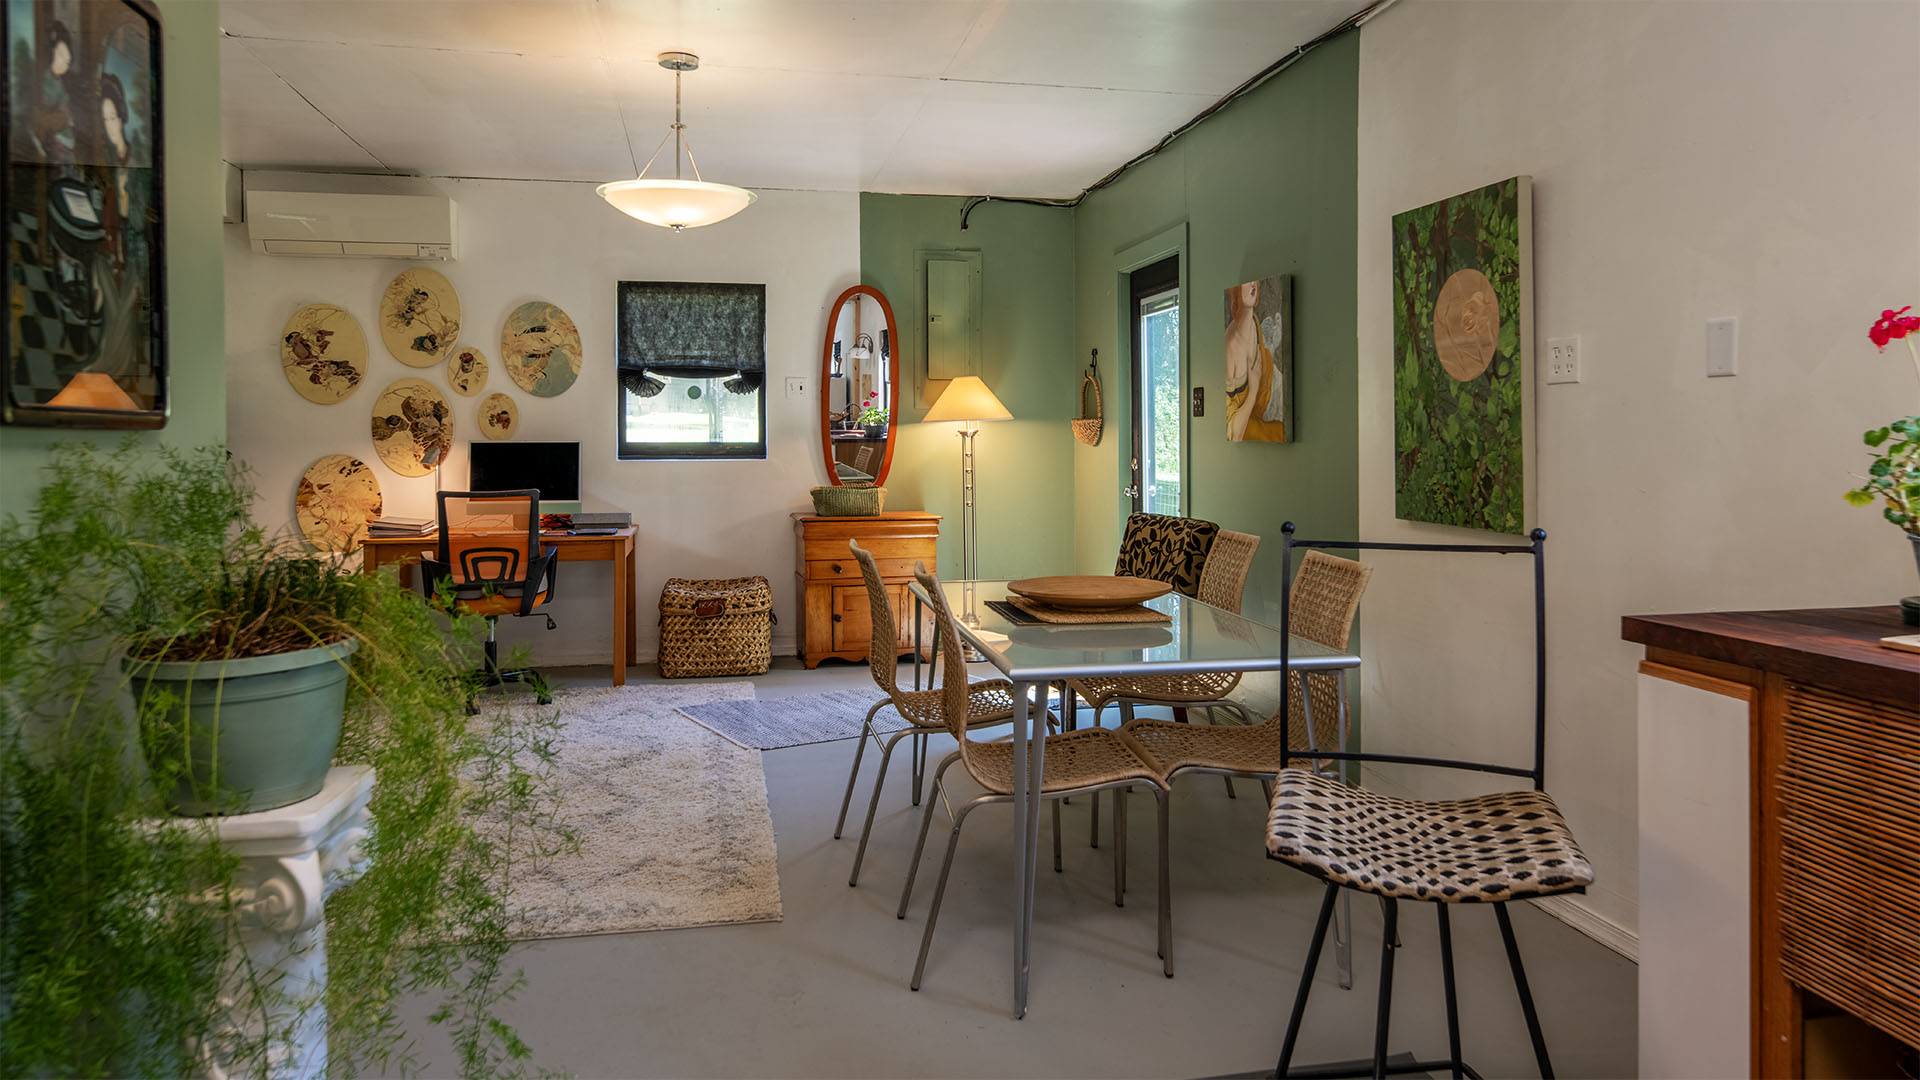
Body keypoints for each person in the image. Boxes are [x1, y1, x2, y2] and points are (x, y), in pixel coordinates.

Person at [1223, 279, 1286, 442]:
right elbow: (1232, 434)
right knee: (1282, 432)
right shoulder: (1229, 350)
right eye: (1247, 283)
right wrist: (1254, 388)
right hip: (1251, 423)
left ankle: (1271, 344)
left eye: (1255, 283)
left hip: (1270, 387)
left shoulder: (1253, 321)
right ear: (1236, 291)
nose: (1253, 285)